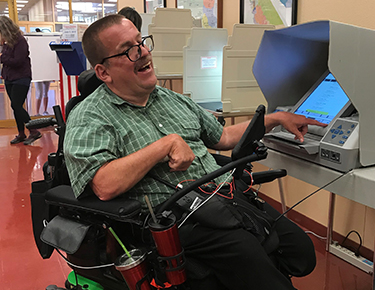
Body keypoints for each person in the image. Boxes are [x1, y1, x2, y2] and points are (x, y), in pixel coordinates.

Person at [64, 14, 327, 290]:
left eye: (141, 42)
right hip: (175, 220)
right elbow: (104, 185)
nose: (142, 52)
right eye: (128, 50)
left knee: (301, 253)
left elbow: (223, 137)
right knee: (261, 269)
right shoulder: (90, 116)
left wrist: (274, 119)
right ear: (103, 72)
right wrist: (164, 145)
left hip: (225, 198)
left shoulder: (174, 100)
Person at [0, 16, 41, 145]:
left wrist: (2, 57)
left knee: (16, 105)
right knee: (16, 107)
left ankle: (34, 130)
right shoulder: (6, 43)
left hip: (21, 77)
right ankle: (21, 133)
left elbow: (17, 61)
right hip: (9, 78)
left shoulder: (20, 41)